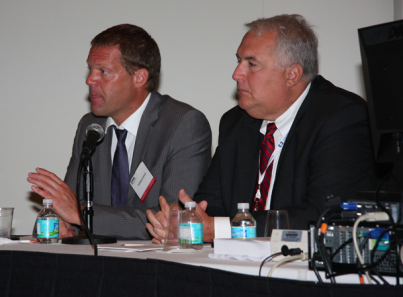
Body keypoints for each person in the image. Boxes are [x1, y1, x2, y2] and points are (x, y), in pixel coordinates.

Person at [146, 14, 376, 242]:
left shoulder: (341, 117)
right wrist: (184, 223)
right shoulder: (235, 123)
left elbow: (325, 216)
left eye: (251, 64)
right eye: (239, 61)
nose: (236, 74)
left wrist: (217, 229)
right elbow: (211, 206)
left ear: (292, 75)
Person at [27, 24, 212, 239]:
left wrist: (83, 216)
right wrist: (58, 222)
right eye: (90, 70)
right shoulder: (90, 126)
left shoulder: (182, 124)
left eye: (103, 72)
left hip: (155, 265)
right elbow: (67, 205)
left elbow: (173, 220)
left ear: (139, 78)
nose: (90, 80)